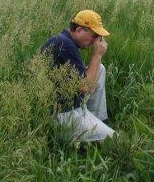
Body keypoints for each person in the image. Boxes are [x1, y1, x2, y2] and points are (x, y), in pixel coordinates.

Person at [41, 9, 116, 142]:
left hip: (72, 108)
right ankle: (91, 134)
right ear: (80, 30)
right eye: (94, 36)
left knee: (101, 68)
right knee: (115, 140)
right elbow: (87, 88)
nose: (95, 41)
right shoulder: (65, 45)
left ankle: (99, 121)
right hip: (65, 116)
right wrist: (97, 55)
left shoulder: (63, 41)